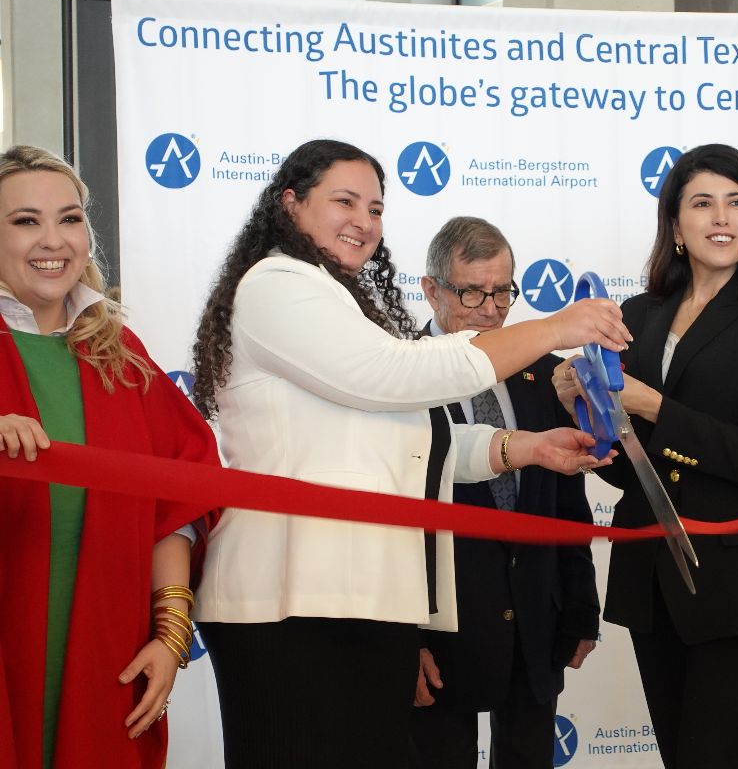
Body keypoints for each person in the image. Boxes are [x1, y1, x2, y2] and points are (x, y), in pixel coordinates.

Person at [188, 140, 628, 768]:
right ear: (291, 203)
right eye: (344, 201)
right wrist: (556, 328)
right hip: (288, 601)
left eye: (375, 207)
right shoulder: (275, 284)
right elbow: (390, 376)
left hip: (359, 599)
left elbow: (413, 438)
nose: (363, 221)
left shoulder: (338, 299)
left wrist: (523, 447)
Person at [553, 143, 738, 768]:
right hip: (651, 578)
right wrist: (580, 411)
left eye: (736, 202)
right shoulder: (639, 314)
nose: (720, 217)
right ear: (675, 225)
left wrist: (650, 405)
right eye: (702, 203)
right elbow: (626, 469)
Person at [0, 146, 219, 768]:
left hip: (105, 647)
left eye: (69, 219)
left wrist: (170, 632)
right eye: (25, 221)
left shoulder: (119, 354)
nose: (54, 240)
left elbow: (179, 495)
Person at [410, 216, 599, 768]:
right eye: (472, 292)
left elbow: (568, 503)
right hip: (441, 634)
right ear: (431, 289)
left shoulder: (544, 372)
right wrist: (402, 644)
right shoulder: (397, 375)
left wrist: (581, 608)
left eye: (503, 291)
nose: (492, 310)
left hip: (536, 622)